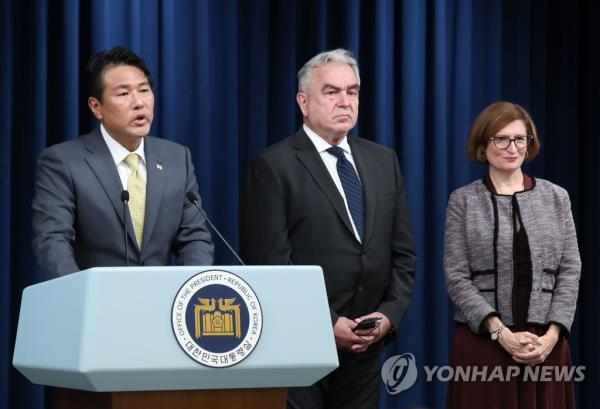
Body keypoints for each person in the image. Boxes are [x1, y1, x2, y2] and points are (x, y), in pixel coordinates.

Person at [241, 48, 417, 409]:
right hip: (299, 347)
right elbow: (270, 264)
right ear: (303, 102)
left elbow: (403, 254)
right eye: (332, 92)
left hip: (366, 349)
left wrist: (387, 316)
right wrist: (326, 323)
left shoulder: (384, 161)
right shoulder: (273, 166)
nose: (345, 102)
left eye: (352, 92)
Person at [32, 47, 214, 278]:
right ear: (96, 107)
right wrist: (81, 299)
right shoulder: (63, 162)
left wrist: (189, 291)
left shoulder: (177, 158)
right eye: (123, 94)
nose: (139, 103)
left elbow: (195, 239)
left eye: (144, 90)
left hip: (161, 306)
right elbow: (52, 241)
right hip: (97, 305)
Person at [444, 101, 581, 408]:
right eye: (501, 138)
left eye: (520, 139)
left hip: (545, 345)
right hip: (483, 343)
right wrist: (500, 333)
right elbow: (456, 276)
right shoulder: (463, 201)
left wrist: (552, 335)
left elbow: (570, 269)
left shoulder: (557, 197)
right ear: (483, 144)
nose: (512, 147)